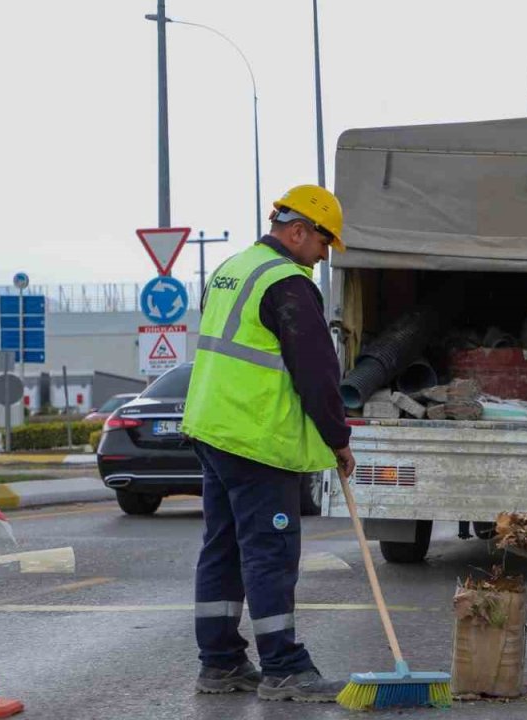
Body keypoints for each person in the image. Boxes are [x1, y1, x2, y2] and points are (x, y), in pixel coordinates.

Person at [182, 184, 357, 701]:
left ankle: (219, 663)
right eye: (324, 242)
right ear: (298, 230)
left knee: (223, 549)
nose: (325, 255)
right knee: (270, 552)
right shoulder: (287, 283)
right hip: (256, 439)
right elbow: (318, 372)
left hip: (214, 431)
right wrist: (337, 438)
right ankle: (283, 666)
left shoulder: (232, 269)